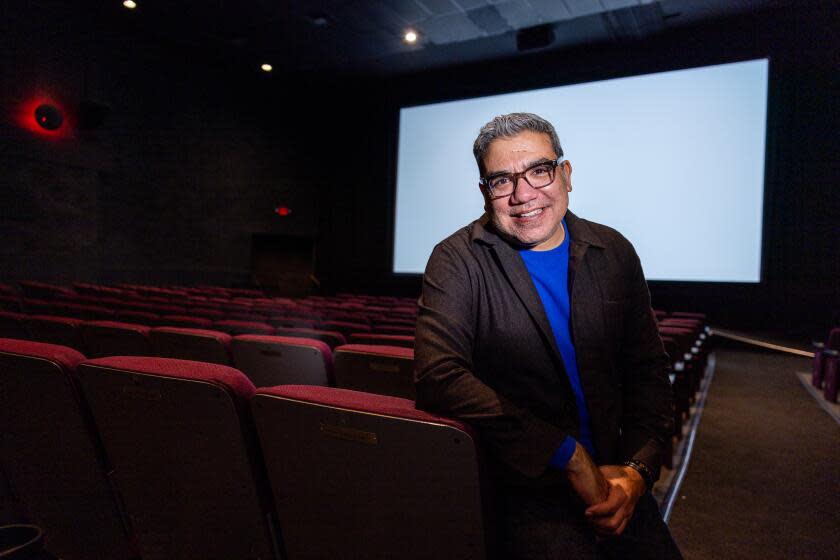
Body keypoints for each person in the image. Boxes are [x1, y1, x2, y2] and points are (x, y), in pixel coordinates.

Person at [413, 112, 682, 559]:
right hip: (526, 490)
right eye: (502, 181)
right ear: (485, 193)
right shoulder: (455, 259)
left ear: (566, 174)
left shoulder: (614, 251)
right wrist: (568, 455)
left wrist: (637, 472)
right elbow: (437, 375)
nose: (523, 195)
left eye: (539, 170)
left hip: (617, 478)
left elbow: (647, 373)